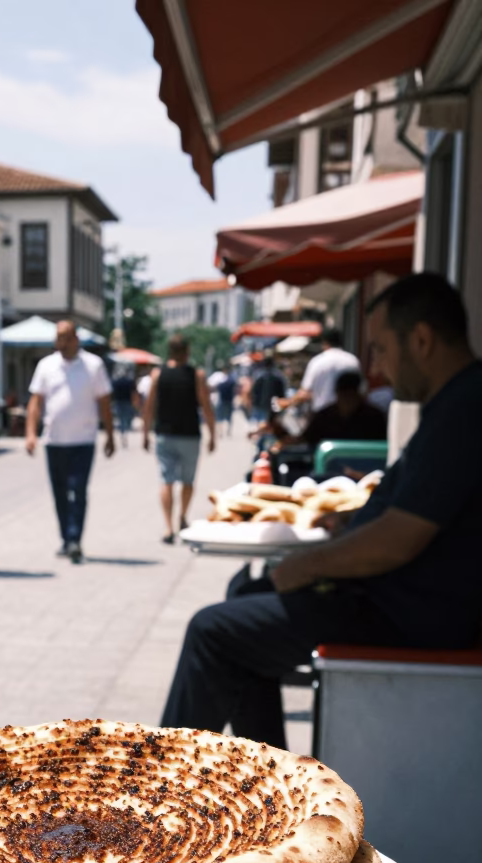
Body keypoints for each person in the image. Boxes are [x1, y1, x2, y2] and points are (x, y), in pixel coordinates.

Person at [161, 272, 482, 749]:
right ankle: (275, 800)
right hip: (399, 601)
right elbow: (418, 513)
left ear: (421, 339)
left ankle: (159, 786)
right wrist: (351, 524)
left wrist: (307, 564)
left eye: (382, 349)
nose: (378, 366)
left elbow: (399, 539)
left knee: (213, 630)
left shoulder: (464, 408)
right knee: (242, 598)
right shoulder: (455, 404)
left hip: (409, 614)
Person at [26, 320, 114, 563]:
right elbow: (36, 401)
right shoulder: (46, 365)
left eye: (65, 337)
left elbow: (104, 401)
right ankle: (66, 538)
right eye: (58, 337)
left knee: (79, 490)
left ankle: (75, 538)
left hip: (83, 440)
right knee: (60, 493)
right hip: (54, 440)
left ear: (76, 338)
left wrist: (110, 434)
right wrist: (31, 433)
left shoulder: (93, 365)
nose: (60, 342)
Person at [143, 334, 216, 543]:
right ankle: (182, 517)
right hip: (190, 435)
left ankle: (168, 527)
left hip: (164, 434)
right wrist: (213, 435)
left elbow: (148, 407)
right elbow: (206, 406)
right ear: (187, 351)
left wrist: (145, 433)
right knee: (187, 481)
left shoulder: (158, 375)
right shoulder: (197, 375)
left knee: (166, 481)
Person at [279, 328, 360, 413]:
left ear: (325, 343)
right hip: (349, 416)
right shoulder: (353, 361)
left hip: (323, 416)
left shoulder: (317, 361)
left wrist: (288, 402)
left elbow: (304, 393)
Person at [298, 371, 387, 447]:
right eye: (344, 395)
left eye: (351, 395)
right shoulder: (324, 416)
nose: (347, 400)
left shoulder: (373, 417)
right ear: (337, 394)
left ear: (359, 395)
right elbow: (307, 439)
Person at [249, 354, 287, 424]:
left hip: (260, 406)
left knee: (261, 426)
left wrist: (254, 404)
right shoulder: (279, 376)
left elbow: (254, 391)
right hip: (274, 407)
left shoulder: (259, 375)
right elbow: (282, 392)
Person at [110, 359, 137, 446]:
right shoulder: (130, 381)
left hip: (118, 402)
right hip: (127, 402)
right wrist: (135, 402)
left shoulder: (115, 381)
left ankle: (123, 432)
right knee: (126, 417)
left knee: (121, 418)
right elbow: (134, 393)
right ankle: (125, 431)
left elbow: (112, 393)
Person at [208, 361, 236, 435]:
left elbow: (211, 386)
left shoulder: (218, 377)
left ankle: (222, 431)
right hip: (228, 400)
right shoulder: (231, 378)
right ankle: (226, 431)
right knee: (227, 417)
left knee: (220, 417)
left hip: (221, 399)